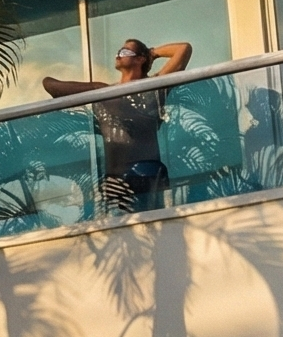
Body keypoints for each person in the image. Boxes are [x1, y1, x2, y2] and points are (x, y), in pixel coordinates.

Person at [44, 38, 192, 211]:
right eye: (118, 52)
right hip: (114, 181)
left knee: (153, 224)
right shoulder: (104, 92)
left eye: (125, 52)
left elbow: (183, 49)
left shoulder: (153, 87)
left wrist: (152, 52)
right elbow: (51, 85)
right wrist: (96, 89)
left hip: (148, 173)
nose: (118, 55)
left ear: (140, 59)